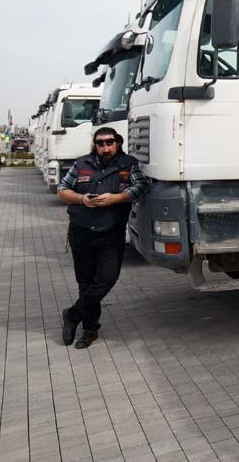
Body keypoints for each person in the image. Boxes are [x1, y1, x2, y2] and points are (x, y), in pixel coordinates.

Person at [56, 127, 149, 349]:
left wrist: (116, 198)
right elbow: (62, 190)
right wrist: (81, 199)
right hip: (81, 231)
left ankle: (72, 314)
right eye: (100, 143)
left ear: (117, 142)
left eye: (109, 142)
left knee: (107, 278)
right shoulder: (81, 164)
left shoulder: (128, 164)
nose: (105, 147)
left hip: (110, 233)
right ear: (95, 145)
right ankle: (89, 330)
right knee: (86, 282)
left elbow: (143, 186)